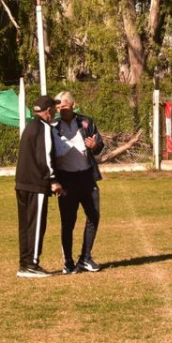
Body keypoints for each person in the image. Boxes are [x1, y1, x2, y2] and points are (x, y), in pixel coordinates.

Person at [53, 91, 105, 274]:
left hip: (87, 177)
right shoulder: (54, 126)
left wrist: (95, 146)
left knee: (94, 216)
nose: (60, 109)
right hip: (66, 180)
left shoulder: (86, 122)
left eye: (64, 106)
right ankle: (68, 261)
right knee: (68, 222)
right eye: (58, 107)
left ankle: (86, 258)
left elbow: (99, 146)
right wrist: (55, 180)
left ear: (73, 105)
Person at [15, 95, 64, 278]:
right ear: (49, 110)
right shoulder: (43, 128)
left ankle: (24, 263)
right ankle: (31, 265)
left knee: (25, 226)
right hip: (36, 184)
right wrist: (53, 180)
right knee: (36, 225)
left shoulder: (29, 127)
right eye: (54, 109)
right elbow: (45, 156)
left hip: (22, 183)